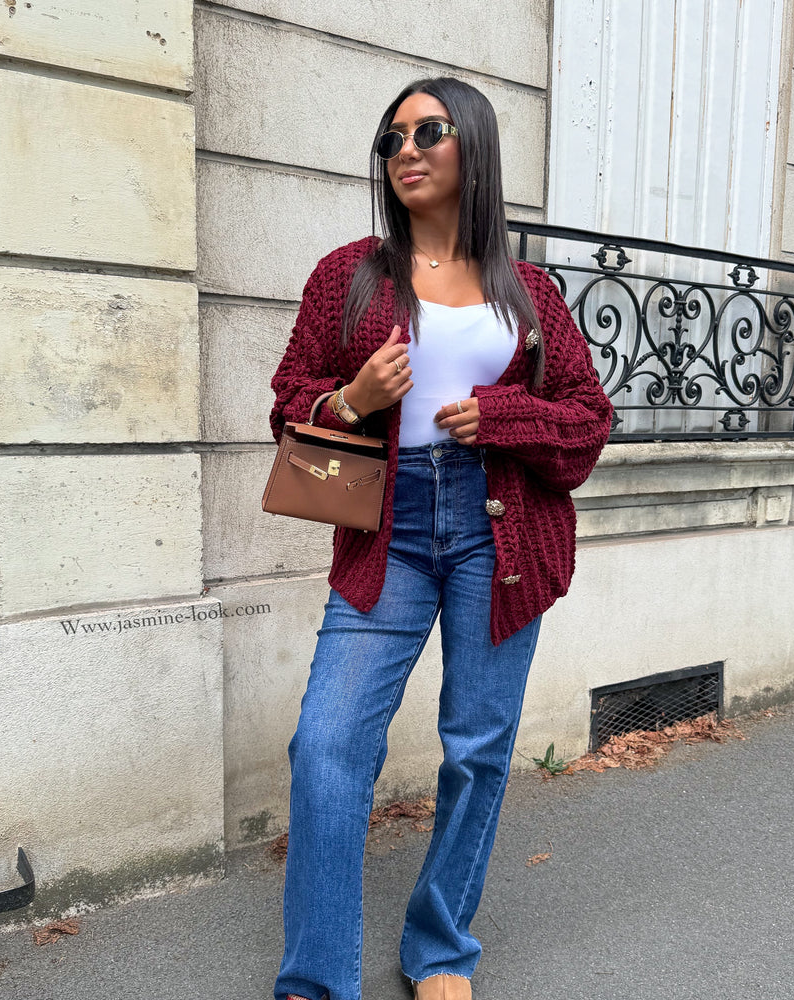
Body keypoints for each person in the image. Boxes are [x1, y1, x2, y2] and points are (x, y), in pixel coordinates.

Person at [268, 77, 613, 1000]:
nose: (406, 149)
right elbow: (290, 401)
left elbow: (586, 423)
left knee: (476, 748)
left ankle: (440, 947)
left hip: (499, 534)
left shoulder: (529, 290)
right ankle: (316, 978)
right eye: (391, 138)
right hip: (388, 528)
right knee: (327, 744)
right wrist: (352, 402)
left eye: (429, 130)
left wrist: (502, 416)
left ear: (475, 146)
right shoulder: (349, 275)